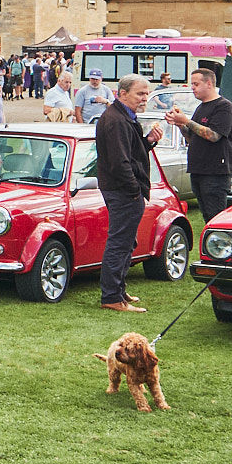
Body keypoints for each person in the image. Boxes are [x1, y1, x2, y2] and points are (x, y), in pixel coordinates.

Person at [95, 74, 163, 313]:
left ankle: (118, 290)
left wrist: (148, 141)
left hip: (125, 190)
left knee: (126, 241)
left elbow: (131, 153)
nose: (145, 98)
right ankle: (112, 297)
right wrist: (135, 190)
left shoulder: (124, 117)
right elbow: (119, 163)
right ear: (122, 94)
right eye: (140, 94)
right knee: (120, 242)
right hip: (123, 191)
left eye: (146, 93)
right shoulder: (116, 120)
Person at [166, 68, 232, 221]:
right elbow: (193, 138)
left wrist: (186, 120)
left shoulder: (224, 107)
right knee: (206, 215)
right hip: (198, 170)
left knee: (215, 216)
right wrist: (180, 124)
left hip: (215, 172)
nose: (193, 88)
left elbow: (213, 136)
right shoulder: (200, 107)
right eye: (192, 84)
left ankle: (219, 244)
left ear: (209, 83)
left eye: (196, 84)